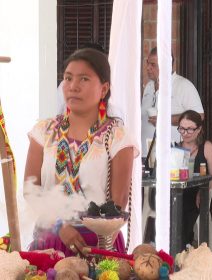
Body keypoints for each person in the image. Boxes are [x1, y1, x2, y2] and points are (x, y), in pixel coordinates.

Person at [24, 48, 138, 256]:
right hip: (50, 243)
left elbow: (118, 203)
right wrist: (59, 226)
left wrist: (97, 242)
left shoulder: (117, 137)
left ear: (103, 89)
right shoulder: (43, 132)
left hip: (97, 246)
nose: (73, 87)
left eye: (84, 79)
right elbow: (31, 191)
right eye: (68, 78)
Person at [141, 47, 204, 159]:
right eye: (147, 63)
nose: (148, 68)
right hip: (147, 155)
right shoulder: (149, 87)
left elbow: (199, 116)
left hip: (172, 157)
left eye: (153, 65)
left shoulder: (183, 85)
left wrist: (165, 119)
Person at [176, 110, 212, 249]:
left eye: (189, 129)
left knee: (186, 205)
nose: (185, 133)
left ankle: (181, 247)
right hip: (177, 193)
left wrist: (202, 189)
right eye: (182, 129)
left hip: (196, 195)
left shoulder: (206, 147)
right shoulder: (175, 148)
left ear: (199, 129)